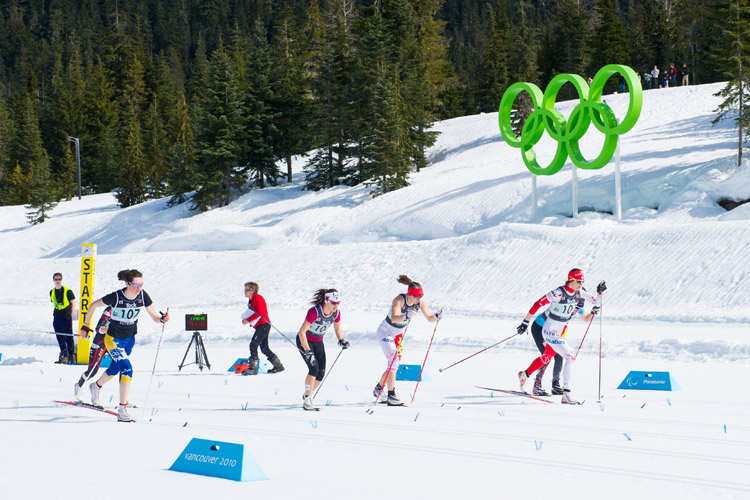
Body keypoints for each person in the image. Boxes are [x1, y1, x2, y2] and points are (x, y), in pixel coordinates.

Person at [79, 269, 169, 422]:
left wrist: (161, 319)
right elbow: (93, 305)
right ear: (127, 283)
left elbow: (153, 315)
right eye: (135, 285)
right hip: (113, 339)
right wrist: (85, 326)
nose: (139, 288)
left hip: (129, 339)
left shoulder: (142, 295)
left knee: (116, 368)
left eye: (141, 284)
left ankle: (96, 386)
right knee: (127, 368)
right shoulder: (116, 297)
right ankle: (122, 409)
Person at [515, 269, 606, 404]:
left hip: (557, 331)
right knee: (564, 356)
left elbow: (592, 311)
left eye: (583, 282)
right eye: (579, 282)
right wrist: (525, 322)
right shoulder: (558, 293)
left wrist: (599, 295)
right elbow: (538, 303)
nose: (581, 285)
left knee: (548, 357)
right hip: (541, 326)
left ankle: (525, 375)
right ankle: (548, 388)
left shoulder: (579, 298)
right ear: (570, 280)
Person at [372, 275, 442, 406]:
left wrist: (436, 317)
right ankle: (391, 395)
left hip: (398, 334)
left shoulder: (420, 302)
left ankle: (379, 388)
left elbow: (429, 318)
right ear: (409, 294)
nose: (418, 300)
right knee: (393, 360)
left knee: (394, 364)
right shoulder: (399, 300)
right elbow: (394, 318)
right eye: (416, 297)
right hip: (385, 331)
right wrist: (405, 315)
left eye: (420, 297)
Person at [529, 298, 598, 396]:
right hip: (540, 328)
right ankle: (537, 386)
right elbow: (549, 318)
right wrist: (547, 338)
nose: (577, 309)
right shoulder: (561, 302)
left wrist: (593, 311)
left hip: (553, 332)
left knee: (559, 356)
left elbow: (586, 318)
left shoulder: (577, 304)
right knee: (546, 357)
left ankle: (555, 385)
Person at [296, 288, 349, 411]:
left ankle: (307, 395)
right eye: (333, 303)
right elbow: (301, 332)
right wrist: (307, 350)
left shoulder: (336, 313)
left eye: (338, 303)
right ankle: (308, 399)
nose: (336, 306)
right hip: (305, 341)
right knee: (313, 369)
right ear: (326, 300)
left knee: (321, 373)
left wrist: (341, 340)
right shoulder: (315, 311)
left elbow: (337, 327)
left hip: (318, 342)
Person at [240, 282, 284, 375]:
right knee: (264, 348)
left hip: (264, 325)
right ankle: (278, 366)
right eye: (244, 290)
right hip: (261, 326)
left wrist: (248, 320)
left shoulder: (257, 297)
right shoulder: (251, 300)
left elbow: (260, 312)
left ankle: (253, 368)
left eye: (246, 290)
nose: (245, 292)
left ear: (252, 290)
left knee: (253, 344)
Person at [73, 306, 112, 401]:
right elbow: (98, 328)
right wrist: (112, 330)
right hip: (100, 342)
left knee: (122, 367)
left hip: (113, 343)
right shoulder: (110, 310)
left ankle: (124, 400)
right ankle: (79, 385)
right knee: (92, 371)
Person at [50, 272, 78, 364]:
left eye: (59, 279)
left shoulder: (67, 290)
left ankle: (71, 356)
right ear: (53, 280)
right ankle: (63, 356)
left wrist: (70, 314)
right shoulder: (52, 291)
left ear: (61, 280)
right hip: (57, 316)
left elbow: (73, 303)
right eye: (56, 279)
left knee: (68, 337)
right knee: (59, 336)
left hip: (66, 316)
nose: (57, 281)